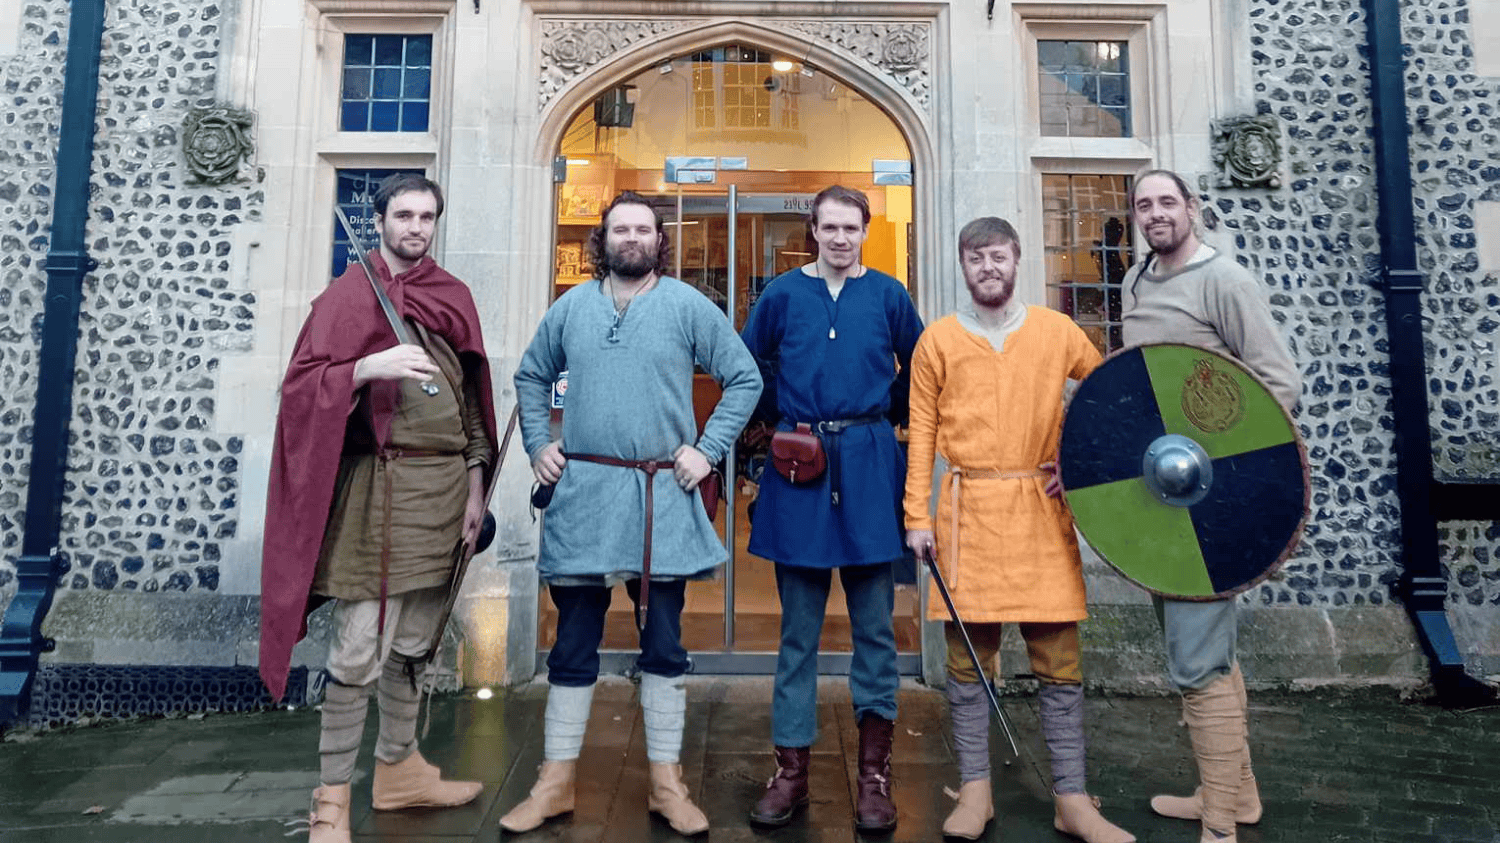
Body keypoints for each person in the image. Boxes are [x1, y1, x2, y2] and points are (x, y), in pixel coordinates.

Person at [500, 191, 761, 836]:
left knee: (664, 643)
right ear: (604, 239)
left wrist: (707, 452)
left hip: (658, 500)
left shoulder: (686, 305)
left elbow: (744, 377)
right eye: (621, 228)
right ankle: (554, 783)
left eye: (644, 229)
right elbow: (532, 375)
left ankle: (667, 786)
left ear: (659, 240)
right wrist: (539, 445)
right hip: (585, 493)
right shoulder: (571, 308)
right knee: (572, 643)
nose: (632, 238)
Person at [258, 173, 498, 843]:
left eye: (426, 215)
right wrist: (366, 367)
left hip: (446, 494)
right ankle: (331, 800)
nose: (415, 226)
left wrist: (476, 489)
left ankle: (399, 770)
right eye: (404, 214)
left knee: (416, 644)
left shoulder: (451, 296)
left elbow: (475, 408)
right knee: (360, 645)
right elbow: (302, 388)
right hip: (377, 494)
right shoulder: (345, 297)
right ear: (380, 220)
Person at [902, 217, 1135, 843]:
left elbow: (1112, 394)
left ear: (1017, 259)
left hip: (1038, 506)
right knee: (968, 661)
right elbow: (921, 432)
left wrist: (1083, 463)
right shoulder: (939, 341)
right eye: (977, 259)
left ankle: (1072, 798)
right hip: (966, 510)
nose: (989, 268)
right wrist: (916, 517)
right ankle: (975, 790)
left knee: (1059, 660)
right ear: (962, 265)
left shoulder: (1059, 333)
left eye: (999, 257)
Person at [1121, 169, 1300, 843]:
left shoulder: (1225, 279)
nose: (1156, 213)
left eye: (1168, 201)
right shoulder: (1136, 279)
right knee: (1204, 646)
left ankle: (1220, 822)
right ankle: (1235, 793)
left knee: (1197, 657)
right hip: (1157, 500)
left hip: (1211, 497)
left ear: (1193, 209)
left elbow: (1278, 381)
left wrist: (1224, 460)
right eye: (1144, 204)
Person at [741, 185, 924, 833]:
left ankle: (873, 776)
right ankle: (790, 772)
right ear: (812, 230)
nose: (840, 238)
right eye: (829, 227)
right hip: (801, 462)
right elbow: (747, 361)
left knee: (876, 630)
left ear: (865, 231)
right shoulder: (783, 294)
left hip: (871, 464)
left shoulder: (890, 296)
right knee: (798, 635)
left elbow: (921, 365)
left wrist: (886, 415)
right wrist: (778, 422)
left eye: (851, 227)